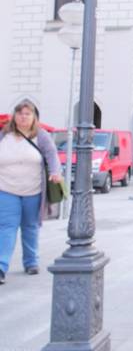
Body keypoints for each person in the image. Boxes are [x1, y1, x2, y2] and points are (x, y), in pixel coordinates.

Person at [0, 100, 63, 285]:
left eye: (28, 113)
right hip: (5, 188)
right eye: (20, 113)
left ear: (34, 116)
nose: (23, 116)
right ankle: (1, 266)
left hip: (33, 190)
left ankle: (31, 262)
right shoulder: (4, 134)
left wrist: (55, 172)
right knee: (6, 227)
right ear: (14, 116)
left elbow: (52, 155)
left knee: (30, 226)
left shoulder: (41, 136)